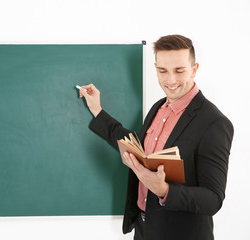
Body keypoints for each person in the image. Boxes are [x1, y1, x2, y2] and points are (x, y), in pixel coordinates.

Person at [78, 34, 234, 240]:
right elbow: (137, 148)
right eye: (163, 71)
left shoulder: (214, 123)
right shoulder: (159, 107)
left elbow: (213, 199)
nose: (170, 80)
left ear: (194, 69)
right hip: (145, 229)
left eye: (179, 71)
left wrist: (164, 190)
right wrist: (98, 110)